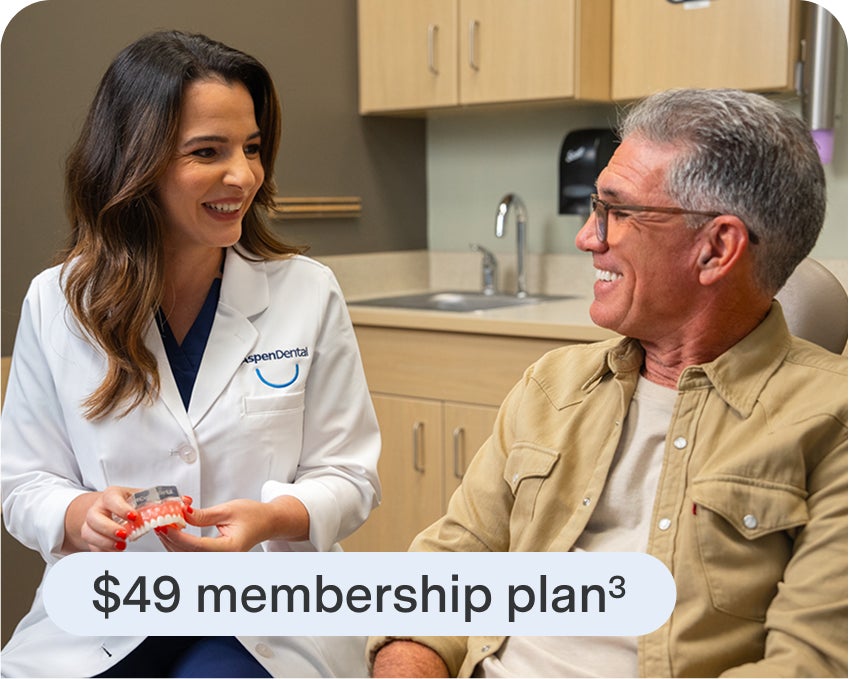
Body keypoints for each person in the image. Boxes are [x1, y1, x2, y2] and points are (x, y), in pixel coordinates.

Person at [368, 88, 848, 677]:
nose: (588, 237)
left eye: (617, 212)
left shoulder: (832, 424)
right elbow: (443, 573)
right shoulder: (553, 386)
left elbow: (809, 664)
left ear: (716, 248)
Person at [1, 30, 381, 678]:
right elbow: (24, 482)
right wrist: (78, 515)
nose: (244, 175)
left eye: (251, 148)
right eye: (208, 151)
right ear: (134, 162)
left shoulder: (306, 292)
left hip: (259, 613)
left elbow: (349, 475)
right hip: (109, 610)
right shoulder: (56, 302)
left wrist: (271, 519)